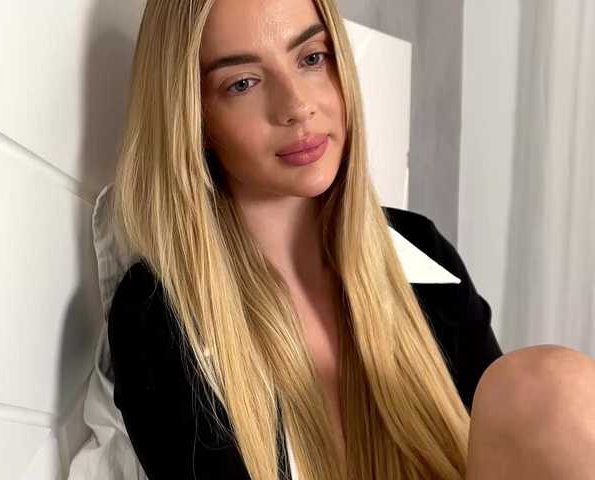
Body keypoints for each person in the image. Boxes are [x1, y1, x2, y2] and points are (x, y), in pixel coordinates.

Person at [106, 1, 595, 479]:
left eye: (311, 58)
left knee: (549, 384)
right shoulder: (159, 311)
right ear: (194, 117)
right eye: (243, 83)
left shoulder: (418, 249)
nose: (297, 106)